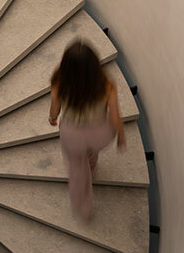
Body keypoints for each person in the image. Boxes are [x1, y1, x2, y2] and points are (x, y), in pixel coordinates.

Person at [48, 40, 126, 220]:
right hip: (100, 133)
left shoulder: (59, 83)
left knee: (77, 169)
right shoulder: (107, 85)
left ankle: (83, 206)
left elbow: (55, 110)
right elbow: (115, 117)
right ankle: (91, 164)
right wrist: (121, 135)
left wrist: (52, 119)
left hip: (73, 135)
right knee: (91, 152)